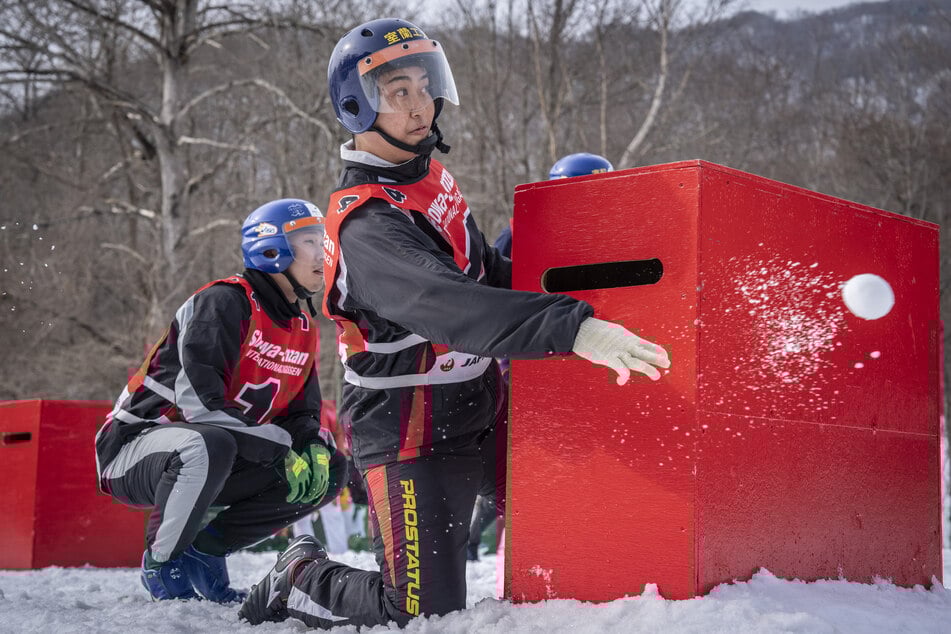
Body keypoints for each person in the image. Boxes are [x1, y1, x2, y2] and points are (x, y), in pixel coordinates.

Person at [239, 18, 670, 629]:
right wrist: (576, 328)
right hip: (410, 432)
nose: (421, 106)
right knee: (418, 613)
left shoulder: (428, 176)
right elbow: (449, 306)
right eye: (399, 93)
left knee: (572, 513)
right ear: (360, 106)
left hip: (478, 403)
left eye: (425, 84)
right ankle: (300, 576)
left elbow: (487, 272)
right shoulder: (366, 223)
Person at [95, 198, 347, 602]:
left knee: (330, 470)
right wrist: (281, 448)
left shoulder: (303, 327)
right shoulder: (225, 302)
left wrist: (310, 443)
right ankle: (163, 561)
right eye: (309, 241)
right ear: (272, 248)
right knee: (210, 441)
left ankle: (206, 551)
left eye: (324, 241)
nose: (323, 253)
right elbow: (201, 407)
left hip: (222, 455)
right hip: (133, 448)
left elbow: (303, 413)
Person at [466, 151, 617, 562]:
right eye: (584, 192)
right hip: (531, 366)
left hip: (595, 358)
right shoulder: (520, 233)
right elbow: (497, 298)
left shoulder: (615, 232)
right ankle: (521, 547)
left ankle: (586, 538)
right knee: (535, 466)